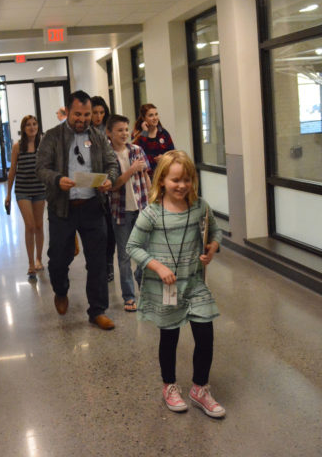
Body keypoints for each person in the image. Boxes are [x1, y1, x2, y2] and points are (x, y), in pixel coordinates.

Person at [126, 150, 225, 418]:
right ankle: (169, 385)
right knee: (169, 338)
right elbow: (132, 246)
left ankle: (200, 388)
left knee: (205, 335)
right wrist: (157, 266)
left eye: (187, 179)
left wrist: (212, 247)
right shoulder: (152, 214)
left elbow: (215, 232)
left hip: (194, 283)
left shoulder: (200, 207)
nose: (182, 186)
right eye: (175, 180)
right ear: (162, 182)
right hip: (165, 288)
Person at [36, 90, 120, 330]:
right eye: (77, 114)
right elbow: (40, 168)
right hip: (62, 208)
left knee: (97, 261)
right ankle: (61, 291)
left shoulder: (98, 137)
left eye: (87, 114)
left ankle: (97, 311)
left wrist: (109, 180)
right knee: (58, 259)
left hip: (93, 206)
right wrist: (56, 179)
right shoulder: (52, 137)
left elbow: (112, 163)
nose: (82, 119)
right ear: (68, 111)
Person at [106, 114, 151, 311]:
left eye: (126, 129)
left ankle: (145, 287)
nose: (124, 133)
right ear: (109, 133)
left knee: (145, 252)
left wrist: (152, 202)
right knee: (124, 256)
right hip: (121, 212)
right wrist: (131, 170)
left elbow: (146, 178)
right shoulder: (107, 155)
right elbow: (113, 185)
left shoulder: (137, 150)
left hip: (141, 208)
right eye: (119, 130)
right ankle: (129, 296)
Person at [4, 115, 46, 278]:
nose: (32, 127)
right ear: (23, 128)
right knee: (29, 226)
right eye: (28, 125)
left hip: (39, 189)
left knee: (39, 225)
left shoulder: (42, 145)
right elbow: (13, 170)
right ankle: (30, 264)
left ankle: (39, 259)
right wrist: (8, 194)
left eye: (34, 124)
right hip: (22, 190)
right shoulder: (17, 147)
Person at [91, 95, 115, 281]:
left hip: (112, 185)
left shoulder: (110, 131)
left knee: (111, 230)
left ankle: (108, 263)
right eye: (95, 113)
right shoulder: (86, 133)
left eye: (101, 112)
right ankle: (97, 262)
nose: (98, 116)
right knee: (98, 231)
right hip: (93, 187)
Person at [134, 103, 175, 173]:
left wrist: (164, 158)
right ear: (144, 118)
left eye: (156, 114)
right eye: (151, 115)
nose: (155, 118)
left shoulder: (163, 133)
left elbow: (173, 153)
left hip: (163, 173)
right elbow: (138, 154)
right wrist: (145, 132)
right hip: (146, 175)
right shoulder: (138, 134)